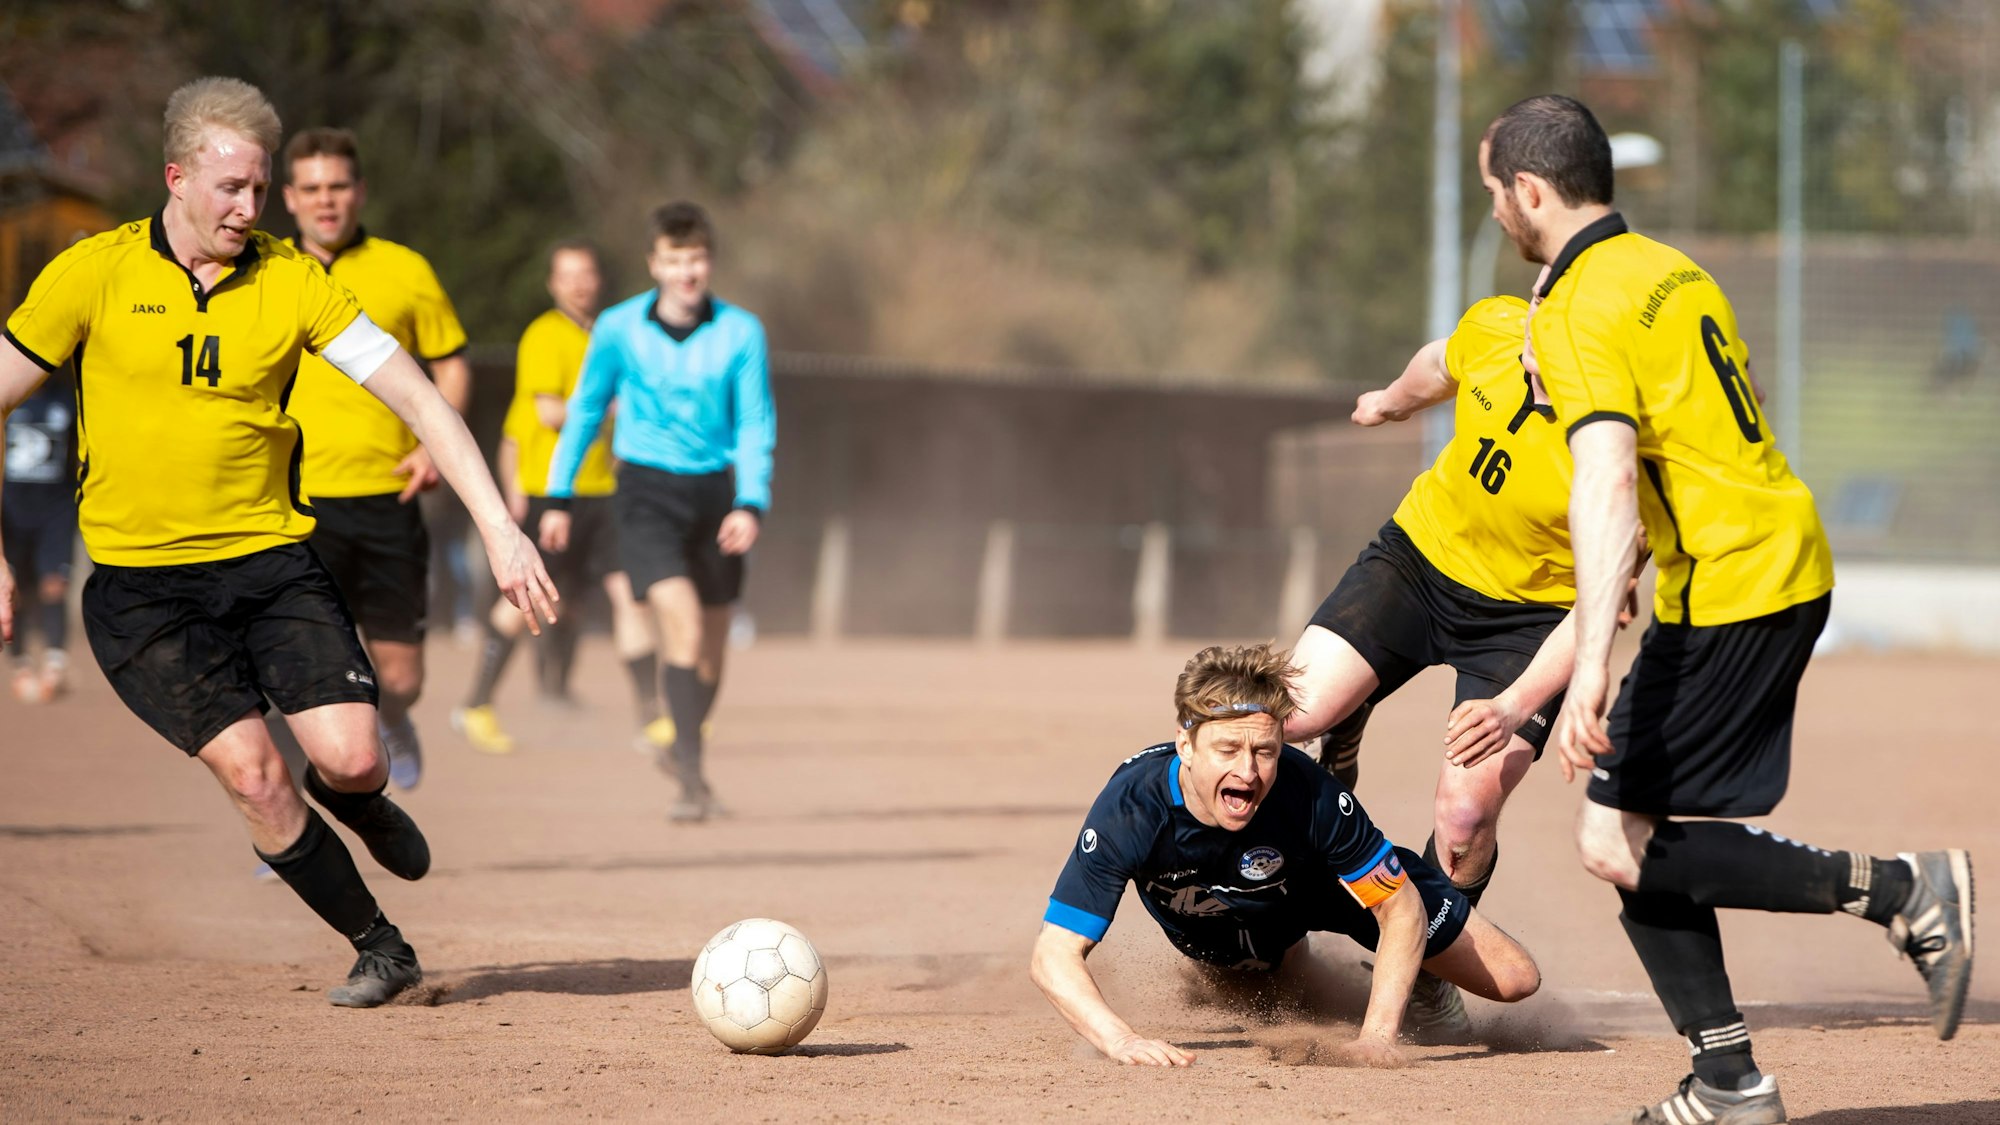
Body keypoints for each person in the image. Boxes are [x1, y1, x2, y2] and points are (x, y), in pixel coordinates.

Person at [0, 77, 557, 1007]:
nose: (250, 210)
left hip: (271, 568)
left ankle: (360, 797)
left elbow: (419, 396)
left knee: (352, 757)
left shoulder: (294, 280)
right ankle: (379, 944)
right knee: (256, 776)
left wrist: (502, 530)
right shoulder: (89, 272)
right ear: (176, 177)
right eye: (231, 189)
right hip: (143, 592)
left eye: (260, 189)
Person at [1482, 94, 1974, 1123]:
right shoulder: (1670, 269)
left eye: (1493, 193)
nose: (1493, 213)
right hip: (1773, 553)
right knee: (1625, 830)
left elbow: (1607, 477)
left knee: (1612, 839)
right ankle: (1725, 1081)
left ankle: (1898, 890)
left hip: (1731, 581)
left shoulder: (1572, 307)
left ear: (1529, 190)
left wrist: (1586, 664)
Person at [1283, 294, 1612, 1041]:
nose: (1532, 356)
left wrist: (1517, 702)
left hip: (1528, 620)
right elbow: (1439, 363)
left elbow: (1601, 608)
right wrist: (1392, 403)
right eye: (1534, 334)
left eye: (1556, 348)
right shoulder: (1500, 331)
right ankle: (1343, 720)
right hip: (1416, 562)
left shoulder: (1627, 450)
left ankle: (1428, 975)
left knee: (1465, 813)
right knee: (1292, 712)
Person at [1030, 643, 1541, 1068]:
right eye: (1228, 750)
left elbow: (1400, 907)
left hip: (1324, 884)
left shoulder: (1309, 793)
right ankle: (1289, 955)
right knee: (1278, 1002)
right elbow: (1054, 955)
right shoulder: (1132, 808)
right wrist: (1121, 1040)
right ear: (1185, 744)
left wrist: (1377, 1038)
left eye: (1265, 751)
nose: (1249, 772)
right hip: (1217, 920)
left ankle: (1419, 981)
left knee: (1516, 978)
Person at [541, 202, 773, 822]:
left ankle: (686, 750)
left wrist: (752, 502)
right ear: (654, 263)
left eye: (695, 259)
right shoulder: (617, 329)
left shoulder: (741, 332)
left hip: (716, 495)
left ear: (710, 261)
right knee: (684, 624)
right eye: (673, 260)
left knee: (712, 652)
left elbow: (754, 423)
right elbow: (586, 411)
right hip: (644, 492)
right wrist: (558, 496)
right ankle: (691, 779)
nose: (686, 272)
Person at [279, 126, 475, 790]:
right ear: (289, 198)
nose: (326, 201)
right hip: (293, 505)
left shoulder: (405, 268)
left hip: (388, 501)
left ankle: (396, 719)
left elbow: (451, 366)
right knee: (300, 666)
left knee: (401, 678)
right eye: (311, 189)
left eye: (337, 186)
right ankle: (295, 821)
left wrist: (430, 446)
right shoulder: (268, 270)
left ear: (359, 191)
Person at [454, 240, 659, 753]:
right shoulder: (545, 335)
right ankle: (476, 705)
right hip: (555, 492)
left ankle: (654, 719)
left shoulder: (608, 334)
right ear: (552, 284)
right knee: (528, 600)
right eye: (567, 275)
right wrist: (620, 409)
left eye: (586, 273)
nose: (579, 283)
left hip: (604, 494)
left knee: (628, 596)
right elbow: (548, 414)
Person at [2, 370, 77, 702]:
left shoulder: (66, 401)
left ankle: (54, 664)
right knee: (15, 588)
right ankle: (20, 664)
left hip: (56, 510)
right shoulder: (7, 398)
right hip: (12, 511)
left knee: (54, 585)